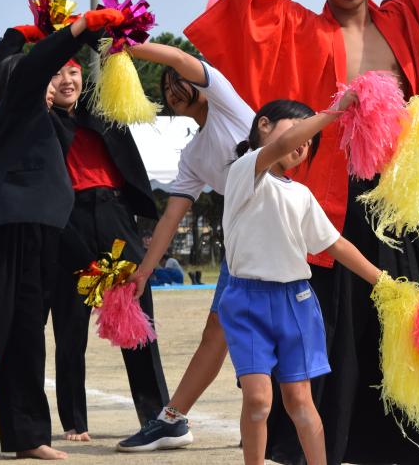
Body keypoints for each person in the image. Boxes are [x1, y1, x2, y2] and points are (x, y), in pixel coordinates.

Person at [184, 0, 419, 463]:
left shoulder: (405, 18)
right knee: (327, 332)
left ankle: (413, 449)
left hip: (396, 202)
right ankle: (317, 451)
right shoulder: (299, 28)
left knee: (404, 320)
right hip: (324, 203)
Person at [0, 10, 117, 463]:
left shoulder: (27, 103)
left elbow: (5, 54)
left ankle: (28, 435)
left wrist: (23, 32)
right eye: (51, 75)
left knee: (28, 335)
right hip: (3, 231)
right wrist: (76, 30)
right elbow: (29, 65)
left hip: (39, 230)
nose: (56, 80)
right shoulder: (19, 103)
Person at [222, 95, 383, 465]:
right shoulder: (246, 171)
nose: (303, 144)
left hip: (295, 302)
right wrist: (336, 110)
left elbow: (336, 245)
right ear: (263, 124)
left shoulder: (302, 194)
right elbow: (280, 145)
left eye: (309, 141)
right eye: (298, 132)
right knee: (259, 401)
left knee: (300, 401)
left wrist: (385, 281)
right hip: (246, 301)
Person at [116, 42, 254, 452]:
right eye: (166, 87)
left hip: (286, 235)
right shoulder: (192, 154)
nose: (172, 88)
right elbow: (169, 220)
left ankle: (268, 417)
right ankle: (172, 420)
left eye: (179, 81)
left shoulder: (227, 103)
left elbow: (177, 58)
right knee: (220, 331)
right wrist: (142, 274)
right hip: (243, 243)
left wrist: (130, 45)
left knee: (273, 332)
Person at [47, 56, 168, 441]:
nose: (66, 81)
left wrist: (108, 31)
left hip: (115, 216)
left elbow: (106, 56)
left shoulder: (99, 109)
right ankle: (74, 422)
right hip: (69, 223)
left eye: (73, 72)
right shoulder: (36, 120)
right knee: (70, 328)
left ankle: (156, 415)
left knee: (138, 324)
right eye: (55, 73)